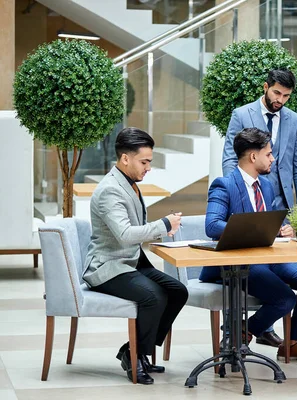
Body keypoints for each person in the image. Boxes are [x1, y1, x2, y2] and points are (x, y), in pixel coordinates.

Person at [201, 127, 297, 361]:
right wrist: (255, 230)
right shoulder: (224, 185)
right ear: (253, 157)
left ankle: (292, 343)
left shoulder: (266, 186)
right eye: (268, 154)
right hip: (235, 262)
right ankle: (242, 332)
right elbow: (212, 225)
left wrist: (279, 228)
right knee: (286, 298)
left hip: (266, 256)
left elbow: (265, 220)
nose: (273, 159)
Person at [83, 127, 189, 384]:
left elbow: (133, 232)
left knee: (178, 291)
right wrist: (164, 224)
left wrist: (162, 231)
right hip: (107, 267)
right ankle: (135, 355)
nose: (148, 167)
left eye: (149, 162)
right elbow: (125, 234)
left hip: (130, 262)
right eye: (144, 162)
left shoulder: (129, 184)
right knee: (153, 297)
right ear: (125, 158)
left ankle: (133, 351)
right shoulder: (110, 190)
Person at [221, 68, 297, 346]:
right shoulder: (242, 114)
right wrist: (236, 192)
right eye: (276, 93)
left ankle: (266, 328)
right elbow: (229, 158)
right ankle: (233, 332)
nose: (280, 100)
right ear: (265, 87)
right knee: (246, 264)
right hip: (247, 198)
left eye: (286, 96)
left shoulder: (293, 120)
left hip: (279, 198)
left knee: (278, 264)